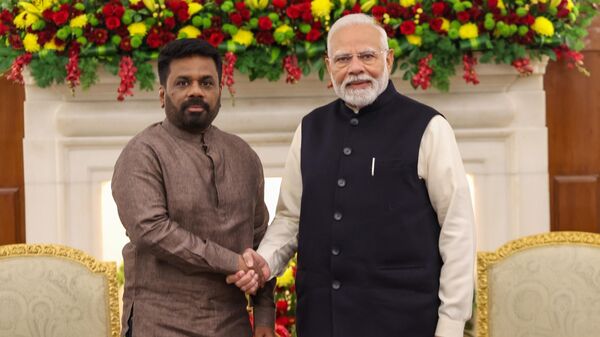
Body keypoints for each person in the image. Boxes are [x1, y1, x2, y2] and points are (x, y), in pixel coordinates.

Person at [227, 13, 475, 337]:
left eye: (367, 56)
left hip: (406, 321)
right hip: (321, 321)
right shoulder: (310, 129)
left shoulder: (429, 127)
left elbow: (457, 229)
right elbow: (290, 218)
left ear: (389, 59)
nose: (355, 68)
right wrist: (264, 263)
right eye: (344, 58)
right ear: (329, 67)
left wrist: (452, 323)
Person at [111, 39, 275, 337]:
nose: (196, 90)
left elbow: (260, 237)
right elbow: (151, 231)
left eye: (206, 82)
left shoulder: (244, 155)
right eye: (183, 82)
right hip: (161, 323)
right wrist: (233, 262)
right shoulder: (143, 153)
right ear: (163, 94)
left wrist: (264, 316)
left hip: (233, 323)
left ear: (219, 93)